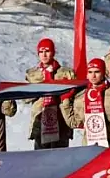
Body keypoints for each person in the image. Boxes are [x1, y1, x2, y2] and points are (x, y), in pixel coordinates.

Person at [60, 58, 110, 147]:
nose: (93, 76)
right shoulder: (81, 97)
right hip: (89, 147)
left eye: (97, 72)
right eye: (90, 72)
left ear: (103, 73)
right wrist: (66, 101)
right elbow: (73, 123)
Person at [26, 39, 76, 167]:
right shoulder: (32, 74)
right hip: (40, 121)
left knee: (60, 161)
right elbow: (26, 98)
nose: (44, 55)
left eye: (47, 51)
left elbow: (76, 94)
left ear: (53, 52)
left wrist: (67, 94)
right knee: (40, 161)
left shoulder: (65, 73)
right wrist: (38, 89)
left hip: (61, 122)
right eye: (41, 52)